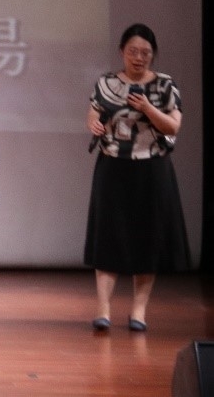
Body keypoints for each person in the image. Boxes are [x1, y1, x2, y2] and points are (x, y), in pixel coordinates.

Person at [83, 23, 189, 332]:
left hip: (152, 168)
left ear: (153, 54)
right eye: (133, 51)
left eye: (145, 52)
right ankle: (103, 309)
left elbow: (173, 126)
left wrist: (147, 108)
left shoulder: (165, 85)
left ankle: (139, 311)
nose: (139, 57)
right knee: (108, 237)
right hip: (113, 166)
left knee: (148, 239)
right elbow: (93, 112)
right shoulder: (106, 83)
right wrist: (93, 124)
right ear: (122, 52)